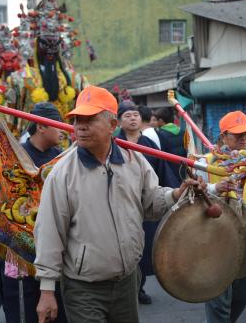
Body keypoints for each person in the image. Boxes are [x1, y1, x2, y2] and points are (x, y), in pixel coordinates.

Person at [33, 85, 203, 323]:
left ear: (112, 125)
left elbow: (150, 203)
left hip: (127, 282)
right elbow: (50, 232)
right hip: (84, 288)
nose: (80, 126)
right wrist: (47, 290)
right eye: (77, 120)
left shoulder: (134, 161)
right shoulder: (62, 173)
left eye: (89, 119)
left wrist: (175, 194)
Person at [196, 111, 246, 323]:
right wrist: (214, 188)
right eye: (239, 135)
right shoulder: (205, 162)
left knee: (241, 298)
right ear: (224, 136)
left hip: (245, 237)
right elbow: (191, 195)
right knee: (218, 302)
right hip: (215, 241)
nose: (244, 139)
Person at [1, 102, 68, 323]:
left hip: (55, 246)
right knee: (23, 308)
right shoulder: (16, 159)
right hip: (22, 246)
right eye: (58, 124)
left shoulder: (62, 159)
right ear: (41, 126)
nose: (64, 129)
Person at [116, 103, 179, 305]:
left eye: (135, 115)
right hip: (121, 203)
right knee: (121, 246)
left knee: (143, 248)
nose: (133, 118)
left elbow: (162, 172)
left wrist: (171, 194)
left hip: (146, 203)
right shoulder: (113, 144)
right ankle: (123, 288)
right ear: (119, 121)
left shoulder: (149, 144)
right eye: (127, 115)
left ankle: (139, 287)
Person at [154, 107, 187, 181]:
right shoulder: (182, 131)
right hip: (183, 168)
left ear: (161, 121)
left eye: (156, 120)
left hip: (169, 171)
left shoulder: (159, 134)